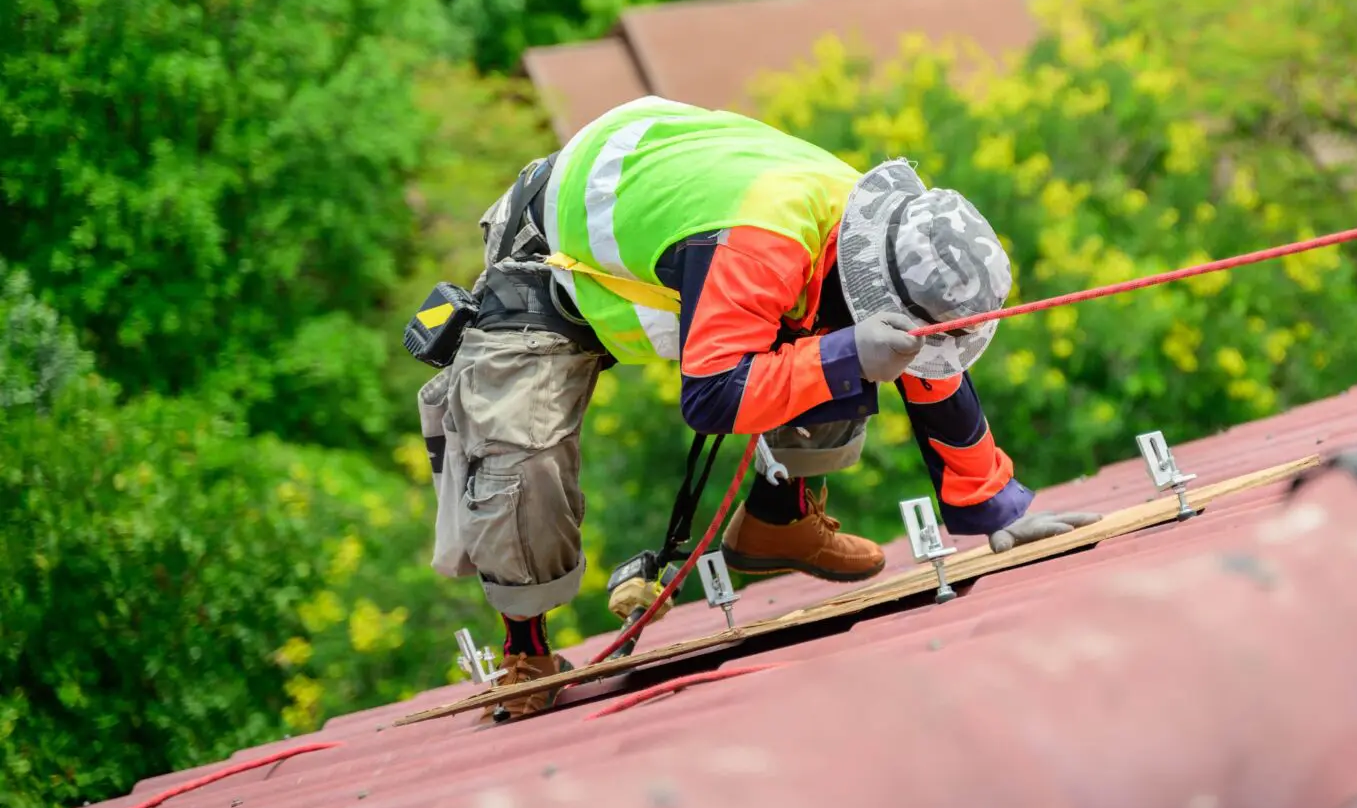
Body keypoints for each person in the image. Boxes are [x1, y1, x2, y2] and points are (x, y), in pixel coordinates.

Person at [415, 96, 1098, 719]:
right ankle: (524, 651)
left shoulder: (870, 231)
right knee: (517, 453)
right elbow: (711, 395)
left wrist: (996, 509)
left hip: (690, 240)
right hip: (554, 260)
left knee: (839, 345)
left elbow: (916, 352)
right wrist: (848, 354)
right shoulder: (762, 243)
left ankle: (778, 524)